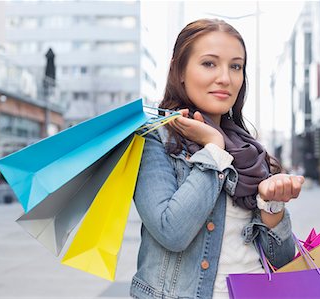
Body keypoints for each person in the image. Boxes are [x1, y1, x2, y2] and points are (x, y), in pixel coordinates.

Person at [130, 19, 305, 299]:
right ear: (179, 70)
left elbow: (282, 259)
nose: (225, 78)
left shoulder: (251, 153)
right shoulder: (154, 139)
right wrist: (213, 148)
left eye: (235, 66)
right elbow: (171, 231)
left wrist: (273, 206)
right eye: (209, 63)